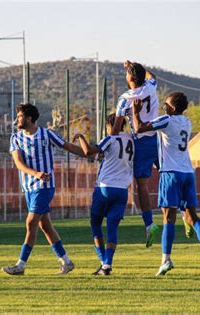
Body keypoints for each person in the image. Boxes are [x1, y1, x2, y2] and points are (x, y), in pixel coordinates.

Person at [132, 92, 200, 276]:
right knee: (192, 216)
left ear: (172, 108)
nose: (164, 106)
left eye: (166, 104)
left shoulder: (166, 120)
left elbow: (139, 128)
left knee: (168, 217)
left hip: (171, 173)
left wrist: (136, 111)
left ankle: (166, 260)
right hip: (188, 172)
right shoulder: (187, 122)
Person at [2, 103, 86, 276]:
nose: (17, 120)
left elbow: (68, 146)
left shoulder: (46, 134)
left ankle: (21, 265)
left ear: (29, 118)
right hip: (29, 187)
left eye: (19, 117)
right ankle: (67, 262)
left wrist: (89, 153)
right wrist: (35, 173)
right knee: (45, 226)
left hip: (44, 186)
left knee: (30, 222)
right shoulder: (16, 138)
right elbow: (18, 163)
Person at [73, 113, 134, 276]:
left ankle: (102, 261)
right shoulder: (131, 140)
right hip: (122, 190)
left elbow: (88, 151)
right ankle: (107, 264)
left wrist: (80, 137)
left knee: (96, 224)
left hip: (105, 188)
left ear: (110, 126)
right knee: (112, 228)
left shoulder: (110, 138)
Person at [112, 60, 160, 247]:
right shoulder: (150, 87)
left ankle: (149, 225)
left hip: (141, 143)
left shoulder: (125, 99)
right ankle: (184, 213)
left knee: (142, 186)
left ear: (130, 78)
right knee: (170, 174)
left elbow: (115, 129)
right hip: (158, 138)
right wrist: (135, 64)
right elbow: (152, 76)